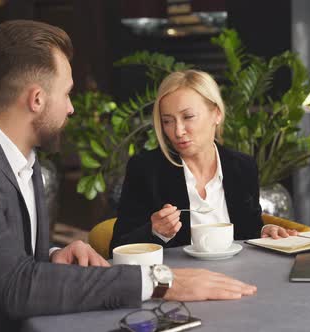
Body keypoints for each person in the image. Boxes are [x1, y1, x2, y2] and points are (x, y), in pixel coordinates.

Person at [0, 20, 256, 332]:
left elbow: (5, 261)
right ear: (37, 99)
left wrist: (52, 255)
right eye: (67, 93)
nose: (72, 107)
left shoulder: (17, 158)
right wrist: (160, 281)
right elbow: (16, 287)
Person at [110, 70, 298, 252]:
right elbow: (117, 248)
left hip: (239, 277)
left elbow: (248, 229)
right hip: (181, 280)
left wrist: (265, 232)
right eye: (167, 121)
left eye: (188, 117)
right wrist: (154, 232)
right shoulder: (145, 169)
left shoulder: (242, 166)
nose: (178, 131)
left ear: (216, 114)